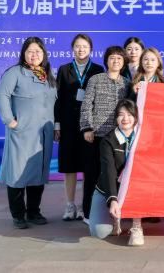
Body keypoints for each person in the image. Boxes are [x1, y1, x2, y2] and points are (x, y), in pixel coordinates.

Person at [0, 37, 57, 229]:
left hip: (43, 134)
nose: (34, 55)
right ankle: (18, 215)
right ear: (23, 53)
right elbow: (2, 95)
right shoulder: (14, 73)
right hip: (22, 133)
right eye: (30, 51)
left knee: (38, 174)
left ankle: (33, 212)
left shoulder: (48, 75)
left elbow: (55, 103)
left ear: (44, 54)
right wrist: (10, 121)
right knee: (17, 174)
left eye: (38, 51)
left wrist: (56, 126)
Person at [54, 34, 104, 221]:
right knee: (69, 166)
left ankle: (85, 205)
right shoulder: (64, 69)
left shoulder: (98, 70)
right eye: (77, 46)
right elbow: (58, 99)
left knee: (88, 167)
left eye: (84, 46)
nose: (81, 49)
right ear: (72, 48)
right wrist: (57, 124)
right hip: (68, 125)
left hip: (89, 127)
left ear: (91, 49)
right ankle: (70, 204)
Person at [79, 46, 130, 223]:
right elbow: (86, 105)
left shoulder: (127, 83)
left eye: (119, 58)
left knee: (115, 176)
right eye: (112, 58)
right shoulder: (96, 79)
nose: (115, 61)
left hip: (117, 138)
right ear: (106, 60)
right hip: (96, 136)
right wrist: (87, 128)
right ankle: (88, 214)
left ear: (124, 62)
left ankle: (115, 213)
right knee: (92, 175)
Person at [89, 99, 144, 246]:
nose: (125, 119)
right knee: (99, 231)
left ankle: (136, 226)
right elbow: (109, 171)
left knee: (139, 184)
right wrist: (113, 199)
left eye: (130, 114)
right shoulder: (108, 140)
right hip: (110, 186)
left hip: (134, 188)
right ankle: (115, 218)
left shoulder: (143, 137)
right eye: (121, 115)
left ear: (136, 117)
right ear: (116, 118)